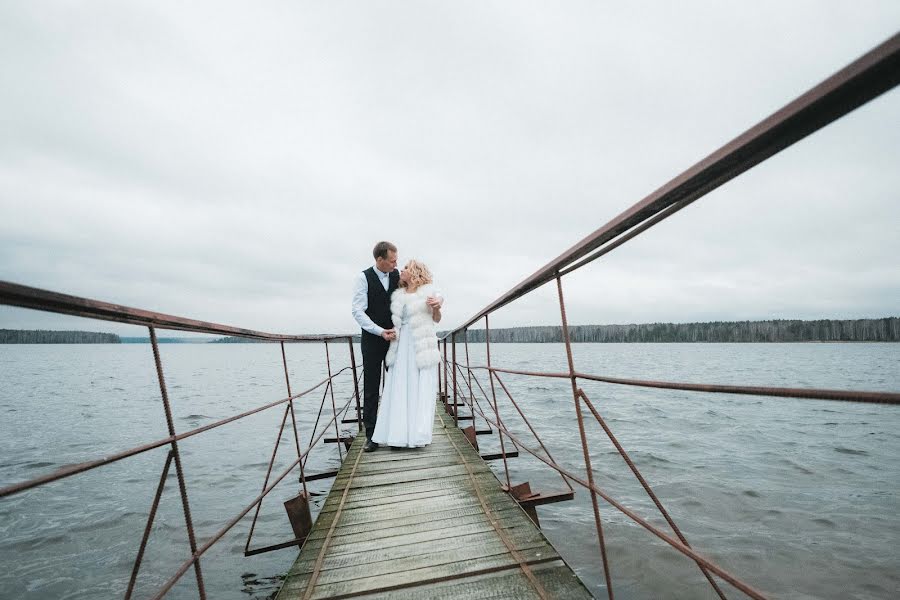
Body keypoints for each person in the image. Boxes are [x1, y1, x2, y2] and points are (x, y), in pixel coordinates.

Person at [371, 259, 443, 449]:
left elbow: (436, 319)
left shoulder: (428, 292)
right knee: (399, 387)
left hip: (420, 345)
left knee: (419, 388)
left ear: (414, 272)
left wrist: (437, 307)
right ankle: (397, 435)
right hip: (400, 346)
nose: (401, 270)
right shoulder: (398, 295)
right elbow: (397, 322)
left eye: (405, 268)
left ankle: (417, 435)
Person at [351, 241, 400, 452]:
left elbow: (424, 285)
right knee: (371, 388)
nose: (395, 264)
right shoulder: (363, 278)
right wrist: (380, 331)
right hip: (372, 340)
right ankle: (371, 436)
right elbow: (357, 311)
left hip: (395, 341)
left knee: (396, 386)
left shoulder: (398, 275)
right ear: (379, 260)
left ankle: (396, 433)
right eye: (392, 260)